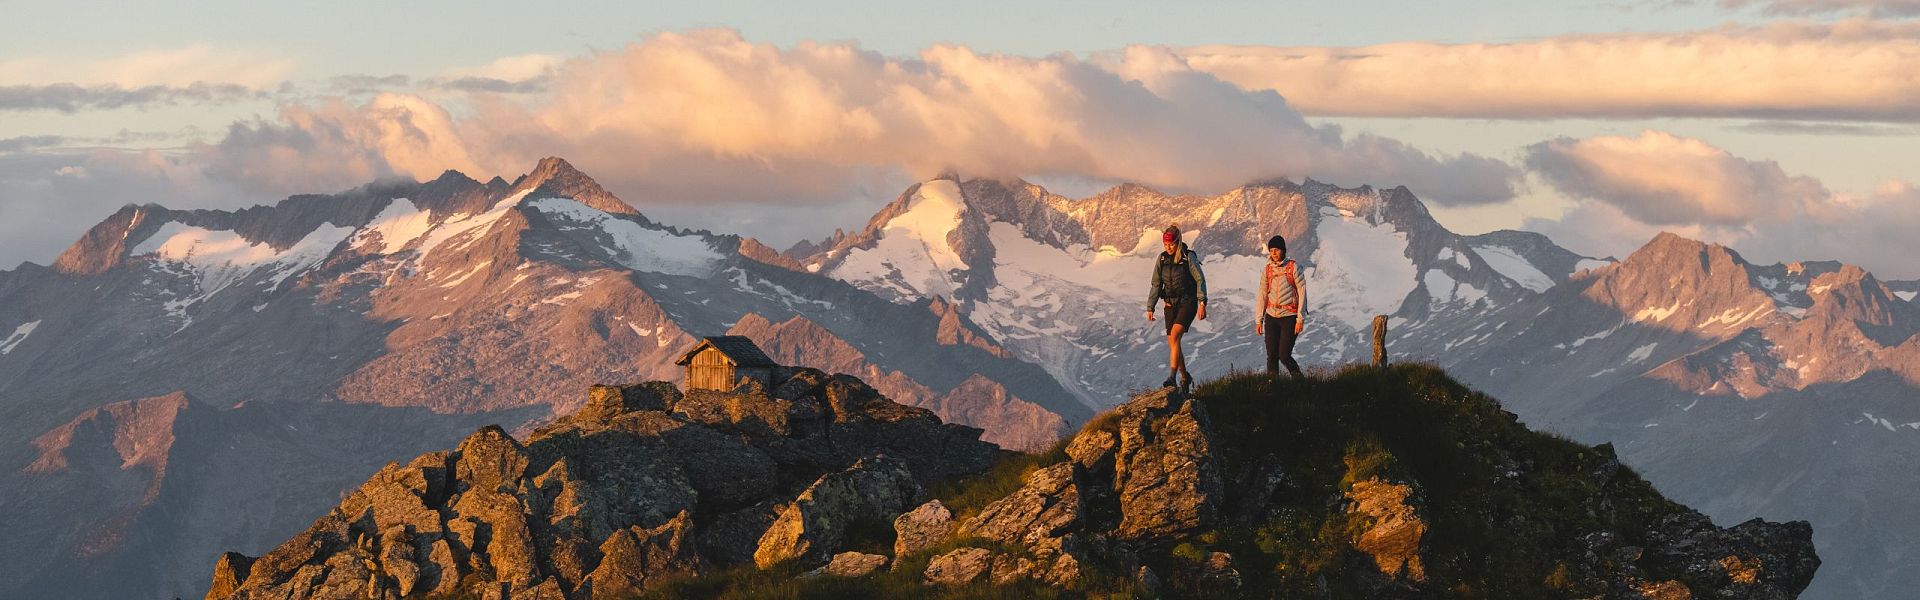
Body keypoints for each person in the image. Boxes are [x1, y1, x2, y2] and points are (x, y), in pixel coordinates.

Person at [1146, 224, 1207, 391]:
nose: (1168, 247)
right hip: (1170, 305)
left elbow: (1200, 279)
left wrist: (1202, 302)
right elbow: (1156, 284)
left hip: (1188, 303)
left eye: (1171, 244)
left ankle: (1172, 377)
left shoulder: (1188, 257)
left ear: (1178, 242)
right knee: (1173, 342)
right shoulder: (1162, 259)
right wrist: (1150, 307)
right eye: (1166, 245)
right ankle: (1185, 376)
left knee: (1174, 337)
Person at [1255, 234, 1306, 379]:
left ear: (1283, 250)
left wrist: (1300, 318)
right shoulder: (1267, 270)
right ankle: (1273, 386)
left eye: (1277, 250)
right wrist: (1259, 319)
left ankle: (1299, 380)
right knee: (1271, 354)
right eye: (1271, 250)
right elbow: (1263, 293)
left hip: (1289, 317)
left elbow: (1302, 292)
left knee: (1283, 355)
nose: (1274, 253)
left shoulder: (1293, 267)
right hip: (1271, 316)